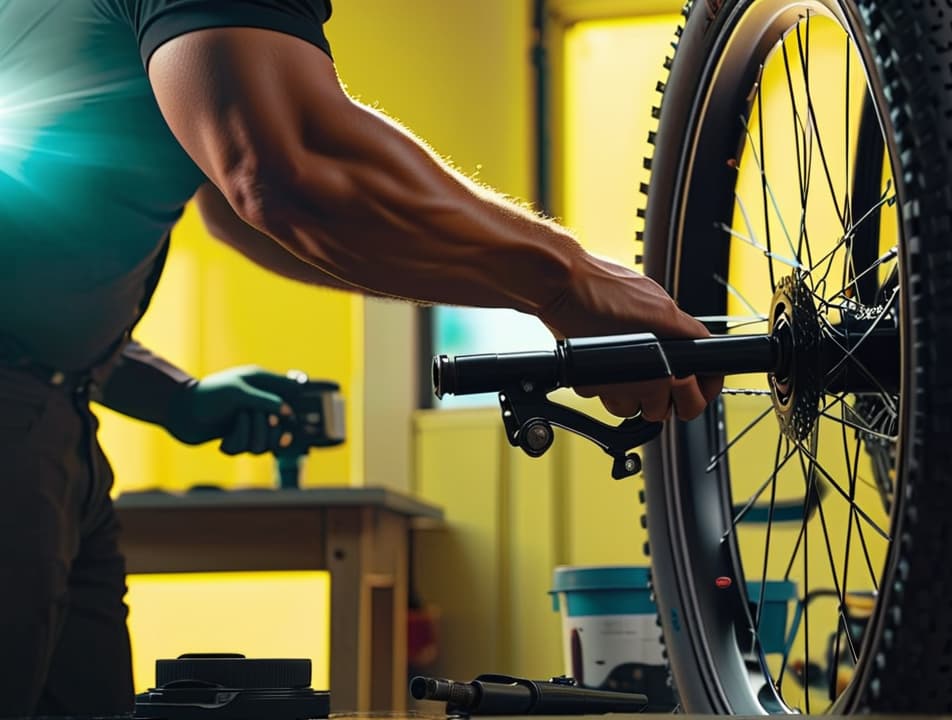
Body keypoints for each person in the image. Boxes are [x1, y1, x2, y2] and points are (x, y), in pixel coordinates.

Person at [0, 0, 722, 715]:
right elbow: (281, 171)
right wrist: (569, 282)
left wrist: (172, 396)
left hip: (60, 418)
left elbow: (229, 199)